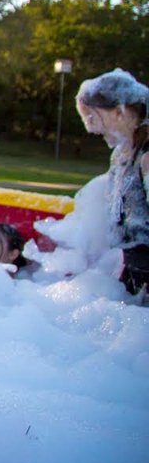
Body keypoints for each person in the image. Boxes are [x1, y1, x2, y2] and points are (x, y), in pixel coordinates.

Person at [75, 69, 149, 298]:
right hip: (130, 271)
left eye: (93, 117)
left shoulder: (146, 156)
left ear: (120, 112)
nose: (90, 127)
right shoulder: (120, 155)